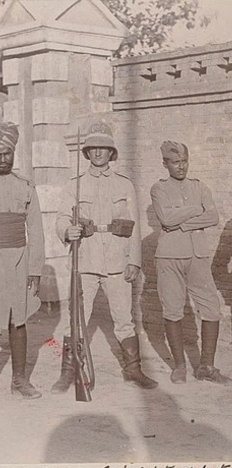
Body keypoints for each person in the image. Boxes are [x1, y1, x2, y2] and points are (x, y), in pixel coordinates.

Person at [52, 120, 157, 393]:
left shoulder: (124, 185)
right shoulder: (74, 185)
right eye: (93, 149)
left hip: (116, 261)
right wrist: (67, 230)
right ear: (87, 153)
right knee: (76, 319)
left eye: (103, 148)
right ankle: (68, 372)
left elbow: (134, 225)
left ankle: (133, 370)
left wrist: (134, 260)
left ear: (112, 153)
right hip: (84, 261)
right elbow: (61, 218)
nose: (98, 153)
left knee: (124, 318)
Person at [150, 140, 230, 385]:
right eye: (175, 162)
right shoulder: (159, 189)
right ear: (165, 164)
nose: (181, 167)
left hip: (197, 255)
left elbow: (213, 217)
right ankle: (179, 366)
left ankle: (206, 365)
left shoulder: (200, 187)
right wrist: (196, 210)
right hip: (170, 255)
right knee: (173, 309)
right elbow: (165, 217)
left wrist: (181, 223)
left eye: (184, 161)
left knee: (211, 308)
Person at [0, 121, 44, 399]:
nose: (2, 158)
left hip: (17, 260)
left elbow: (36, 231)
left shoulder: (25, 186)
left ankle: (19, 380)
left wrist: (35, 270)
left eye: (7, 153)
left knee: (18, 320)